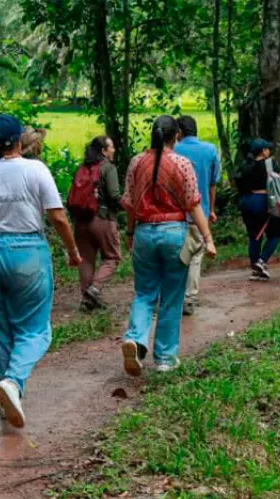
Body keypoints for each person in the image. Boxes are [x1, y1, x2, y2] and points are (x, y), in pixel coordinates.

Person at [0, 114, 81, 430]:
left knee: (0, 327)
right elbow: (58, 217)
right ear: (18, 142)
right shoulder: (35, 170)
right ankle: (12, 382)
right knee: (36, 330)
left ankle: (7, 396)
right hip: (26, 253)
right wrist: (72, 250)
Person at [120, 116, 216, 375]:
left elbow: (129, 203)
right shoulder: (182, 164)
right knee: (172, 297)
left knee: (144, 293)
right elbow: (193, 204)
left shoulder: (136, 162)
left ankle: (135, 338)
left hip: (143, 232)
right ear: (177, 137)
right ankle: (164, 358)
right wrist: (207, 238)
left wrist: (130, 232)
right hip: (174, 233)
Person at [174, 115, 219, 315]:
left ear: (179, 133)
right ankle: (189, 298)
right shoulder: (210, 150)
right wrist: (212, 210)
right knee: (196, 256)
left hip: (175, 214)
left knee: (176, 254)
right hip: (201, 212)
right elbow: (212, 184)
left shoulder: (172, 150)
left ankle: (173, 296)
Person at [70, 135, 121, 310]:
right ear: (104, 151)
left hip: (81, 221)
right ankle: (95, 288)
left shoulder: (82, 168)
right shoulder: (108, 168)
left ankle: (87, 300)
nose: (113, 150)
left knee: (85, 260)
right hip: (102, 218)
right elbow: (114, 195)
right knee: (112, 257)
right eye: (111, 147)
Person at [236, 138, 280, 279]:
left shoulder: (245, 165)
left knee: (254, 236)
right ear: (263, 151)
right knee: (274, 234)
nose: (270, 150)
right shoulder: (269, 163)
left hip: (247, 202)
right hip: (263, 201)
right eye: (268, 148)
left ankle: (256, 270)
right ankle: (262, 261)